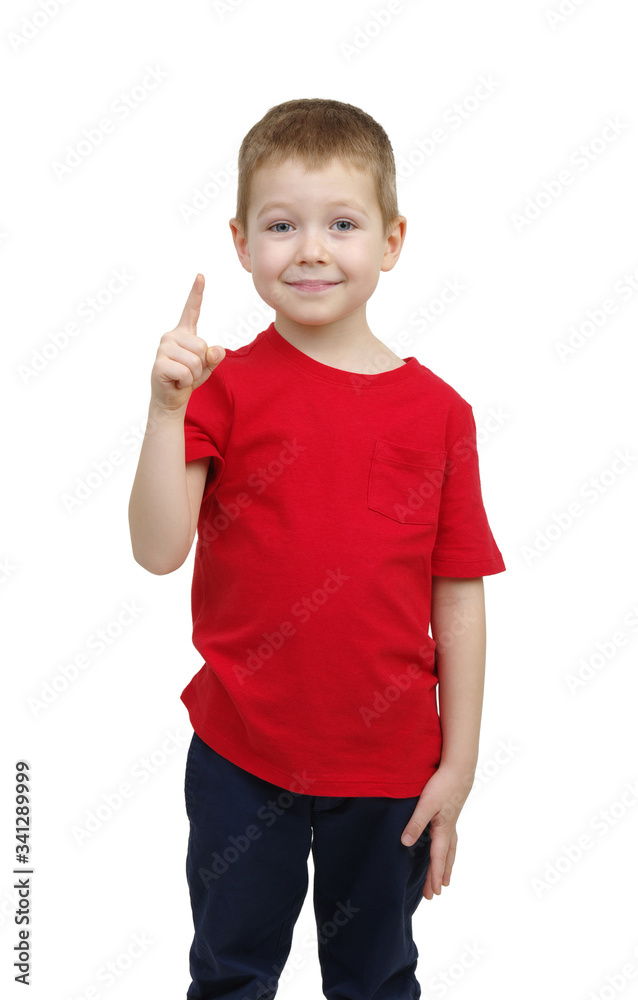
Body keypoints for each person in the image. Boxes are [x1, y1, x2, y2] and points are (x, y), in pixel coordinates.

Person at [128, 97, 506, 1000]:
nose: (310, 249)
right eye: (281, 224)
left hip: (388, 769)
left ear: (392, 239)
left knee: (376, 978)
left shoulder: (440, 414)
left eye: (342, 223)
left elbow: (458, 594)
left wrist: (460, 762)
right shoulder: (221, 388)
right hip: (239, 753)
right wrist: (163, 409)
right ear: (241, 240)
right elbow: (156, 550)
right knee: (230, 971)